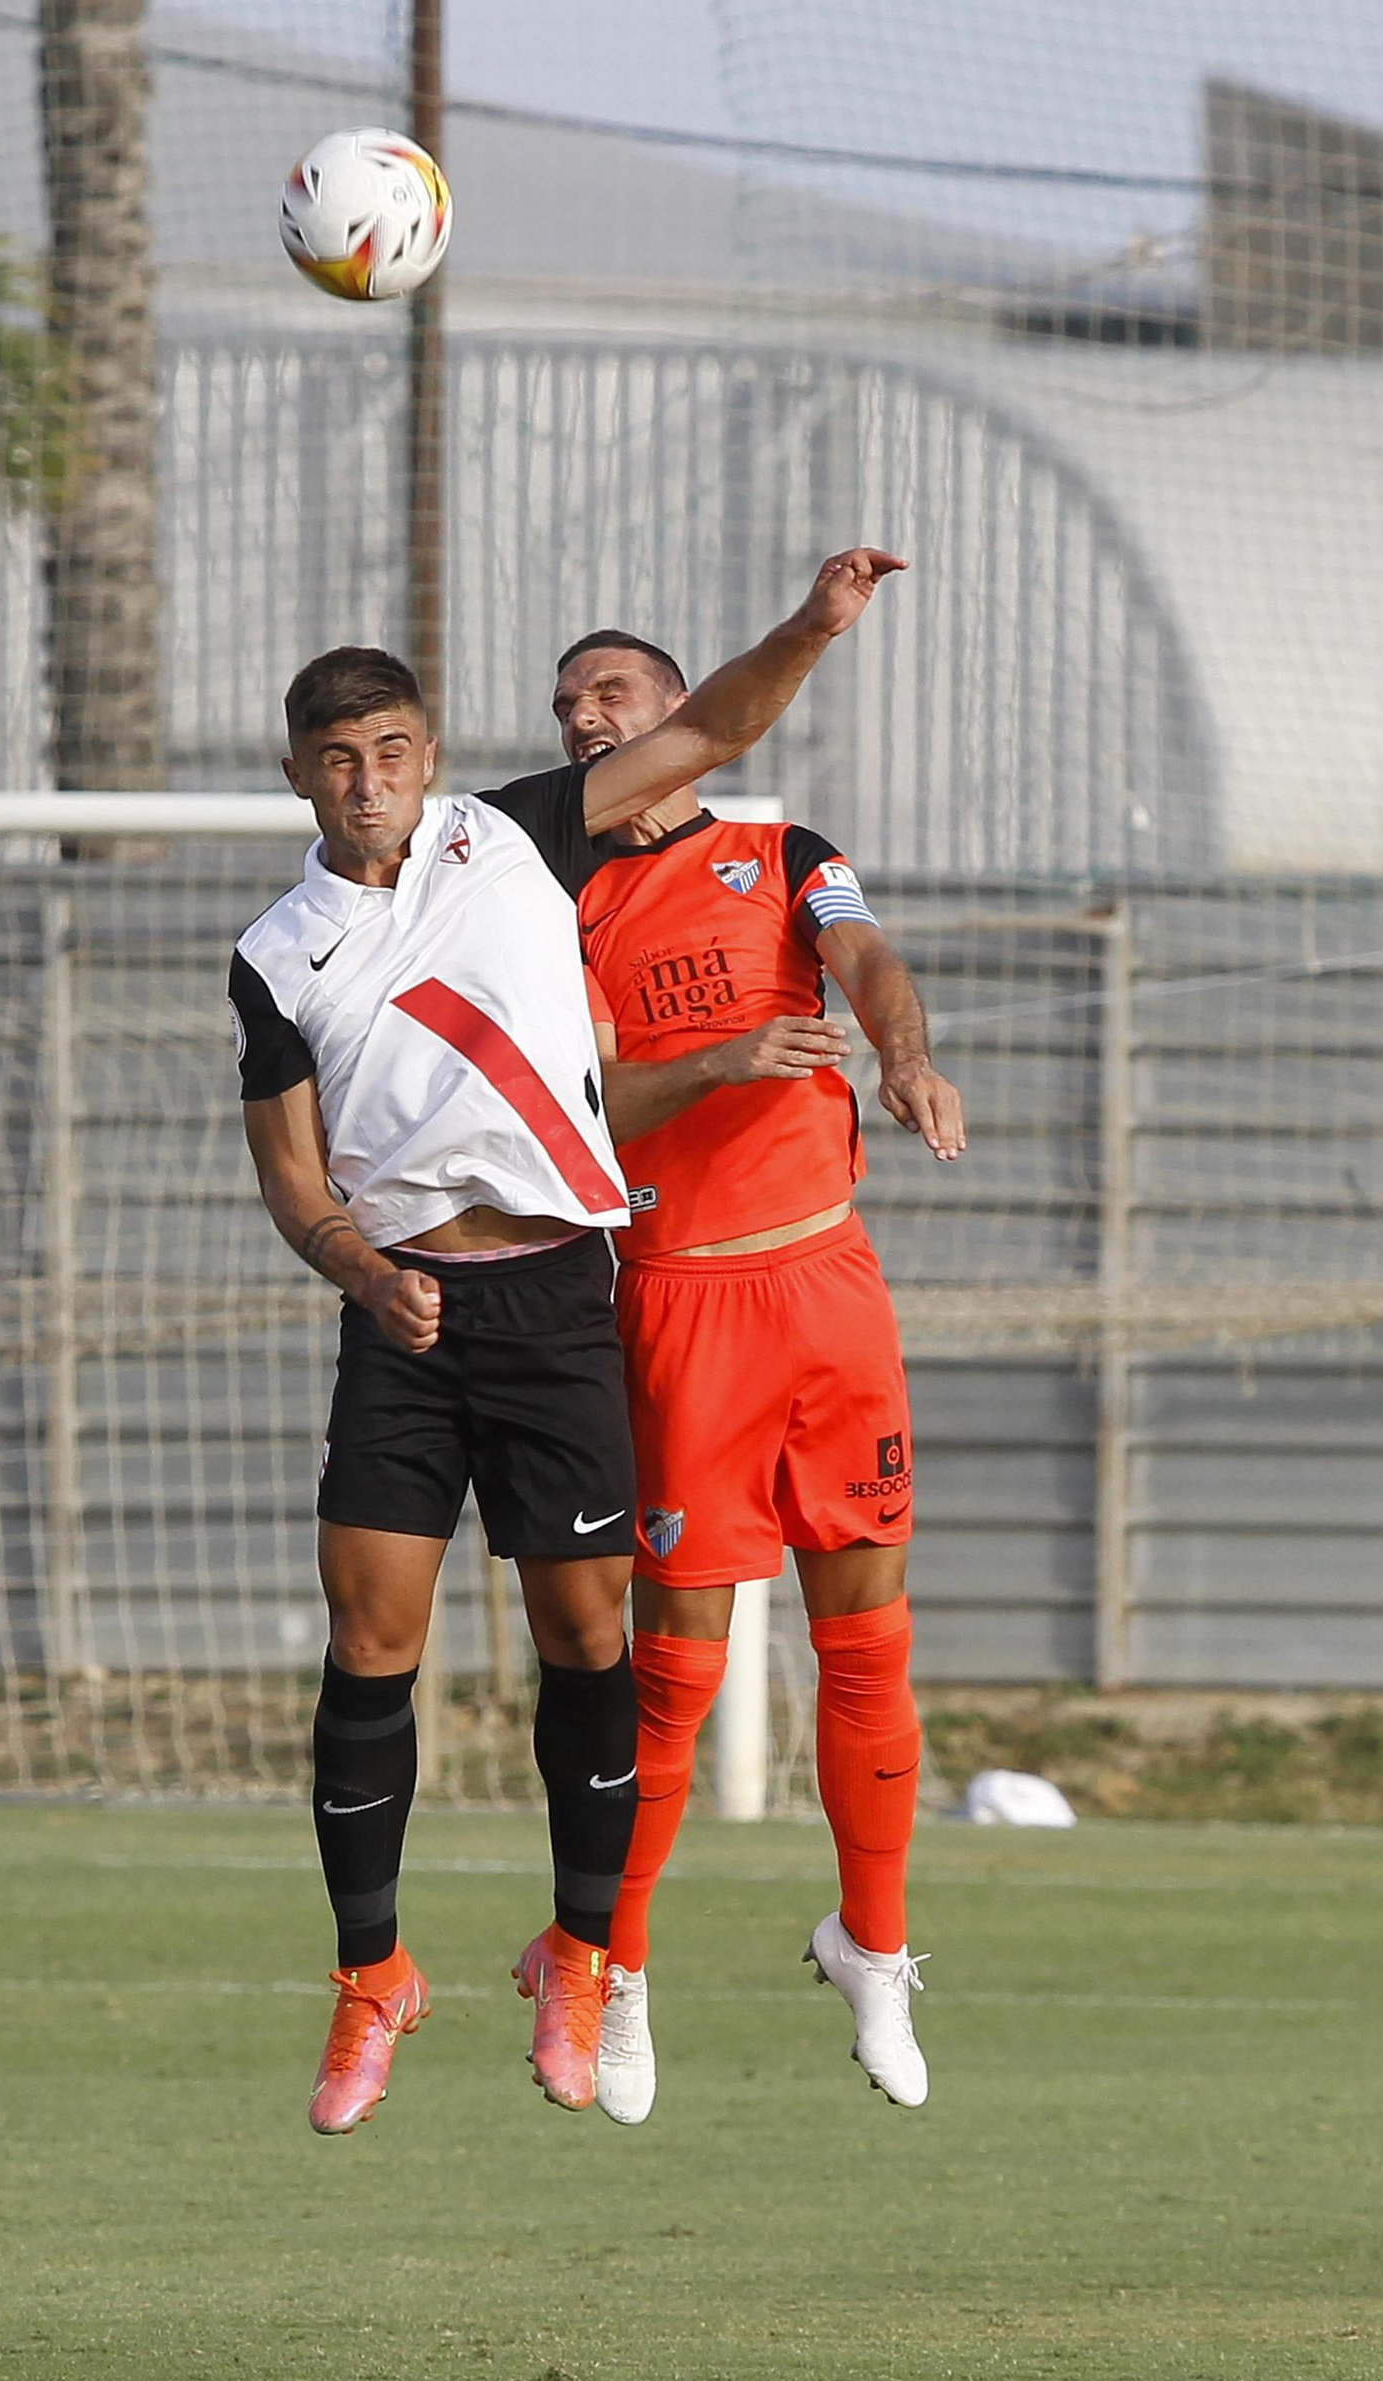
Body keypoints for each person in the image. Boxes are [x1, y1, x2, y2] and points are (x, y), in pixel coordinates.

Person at [227, 549, 905, 2133]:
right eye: (336, 757)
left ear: (429, 760)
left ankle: (590, 1953)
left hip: (555, 1302)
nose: (368, 778)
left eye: (391, 749)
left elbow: (715, 734)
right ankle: (371, 1982)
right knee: (369, 1636)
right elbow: (289, 1174)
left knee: (591, 1638)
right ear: (297, 776)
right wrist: (353, 1264)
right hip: (399, 1308)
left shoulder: (519, 835)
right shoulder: (275, 951)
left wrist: (808, 626)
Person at [550, 626, 966, 2122]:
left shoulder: (785, 849)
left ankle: (874, 1943)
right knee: (677, 1670)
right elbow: (590, 1090)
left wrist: (902, 1051)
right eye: (565, 704)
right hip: (680, 1304)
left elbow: (866, 956)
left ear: (683, 717)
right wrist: (720, 1067)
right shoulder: (561, 893)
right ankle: (618, 1973)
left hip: (827, 1284)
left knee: (870, 1636)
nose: (584, 716)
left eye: (609, 693)